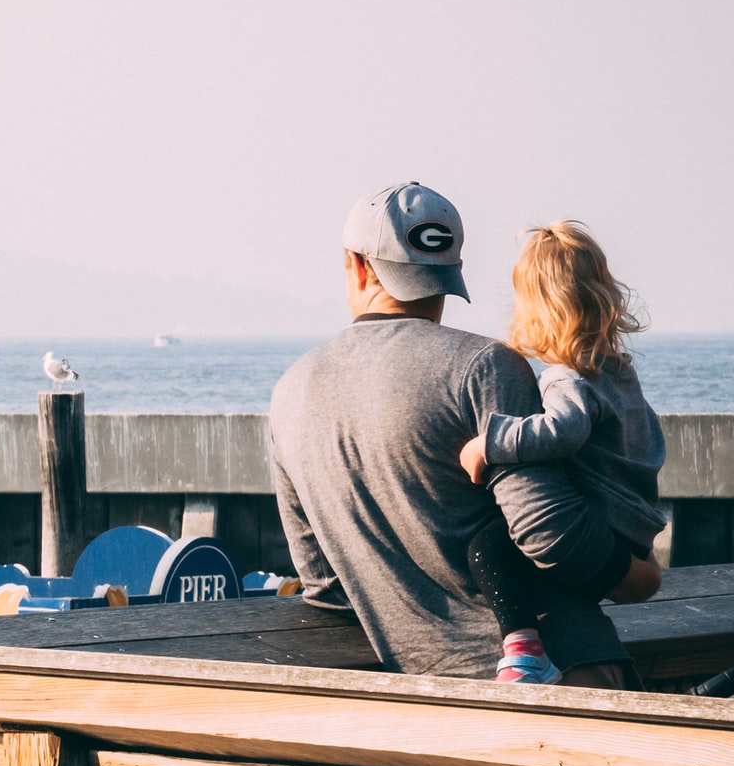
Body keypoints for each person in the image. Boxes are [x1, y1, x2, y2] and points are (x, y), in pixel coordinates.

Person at [267, 183, 661, 685]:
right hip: (564, 674)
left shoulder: (290, 390)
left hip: (425, 693)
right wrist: (641, 578)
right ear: (449, 270)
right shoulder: (485, 364)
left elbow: (325, 585)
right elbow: (548, 533)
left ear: (357, 265)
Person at [456, 222, 667, 683]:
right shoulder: (618, 372)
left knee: (488, 548)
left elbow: (561, 431)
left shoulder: (565, 377)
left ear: (536, 309)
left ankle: (525, 651)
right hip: (633, 532)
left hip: (601, 534)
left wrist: (491, 442)